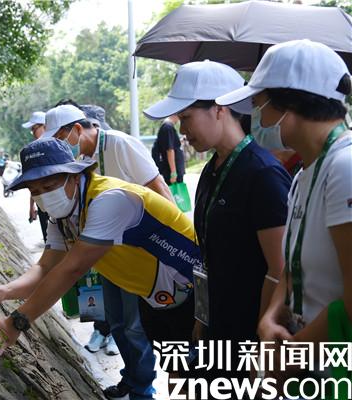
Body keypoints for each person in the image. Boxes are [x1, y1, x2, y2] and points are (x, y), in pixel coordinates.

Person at [0, 138, 201, 400]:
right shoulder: (63, 218)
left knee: (204, 375)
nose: (43, 195)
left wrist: (16, 322)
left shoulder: (109, 200)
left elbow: (71, 269)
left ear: (74, 176)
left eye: (49, 186)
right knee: (178, 373)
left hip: (194, 292)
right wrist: (5, 291)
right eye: (35, 191)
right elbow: (45, 267)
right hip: (156, 298)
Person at [144, 60, 291, 392]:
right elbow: (208, 257)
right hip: (216, 331)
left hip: (250, 339)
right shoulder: (211, 171)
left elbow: (280, 270)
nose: (182, 130)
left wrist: (263, 348)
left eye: (186, 117)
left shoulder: (263, 174)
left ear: (220, 109)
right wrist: (202, 319)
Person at [217, 39, 352, 397]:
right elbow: (292, 268)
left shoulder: (345, 167)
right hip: (309, 368)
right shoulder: (304, 174)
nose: (258, 121)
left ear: (290, 103)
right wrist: (270, 318)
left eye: (260, 106)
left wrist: (291, 355)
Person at [46, 101, 171, 399]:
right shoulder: (83, 159)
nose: (61, 146)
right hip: (107, 253)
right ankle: (131, 378)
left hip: (138, 252)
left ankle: (143, 389)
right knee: (116, 322)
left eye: (61, 138)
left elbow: (159, 187)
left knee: (134, 325)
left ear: (78, 129)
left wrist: (170, 247)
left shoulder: (119, 144)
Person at [22, 111, 49, 241]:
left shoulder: (56, 145)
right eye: (32, 130)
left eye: (34, 128)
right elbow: (33, 181)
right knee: (48, 239)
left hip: (57, 200)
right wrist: (32, 205)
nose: (33, 132)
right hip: (41, 201)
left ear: (45, 126)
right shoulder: (33, 150)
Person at [151, 114, 185, 185]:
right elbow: (169, 150)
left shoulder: (167, 127)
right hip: (171, 170)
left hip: (172, 169)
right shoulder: (168, 127)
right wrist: (173, 173)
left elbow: (171, 146)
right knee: (174, 191)